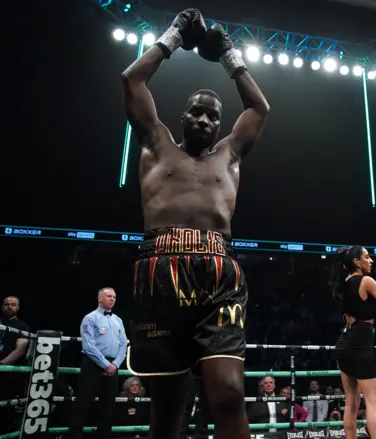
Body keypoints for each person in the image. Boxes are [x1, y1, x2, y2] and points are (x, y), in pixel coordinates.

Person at [121, 7, 269, 439]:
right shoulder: (156, 142)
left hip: (219, 273)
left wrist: (228, 54)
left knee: (226, 392)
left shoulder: (230, 155)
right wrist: (173, 38)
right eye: (197, 112)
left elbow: (259, 107)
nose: (204, 119)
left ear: (221, 125)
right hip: (160, 272)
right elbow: (131, 80)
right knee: (168, 411)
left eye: (212, 115)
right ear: (182, 116)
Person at [329, 246, 376, 439]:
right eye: (367, 257)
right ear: (356, 262)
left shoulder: (344, 282)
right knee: (373, 402)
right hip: (361, 343)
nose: (371, 260)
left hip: (345, 342)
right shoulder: (365, 281)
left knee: (351, 401)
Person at [66, 288, 128, 439]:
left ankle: (104, 436)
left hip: (113, 365)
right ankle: (74, 436)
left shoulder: (118, 320)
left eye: (114, 296)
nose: (112, 299)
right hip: (93, 364)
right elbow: (88, 346)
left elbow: (124, 344)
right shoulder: (90, 318)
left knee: (108, 405)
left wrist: (115, 364)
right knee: (84, 402)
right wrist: (106, 364)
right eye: (109, 296)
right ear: (100, 298)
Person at [0, 295, 30, 433]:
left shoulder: (21, 326)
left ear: (18, 308)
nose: (9, 307)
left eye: (13, 304)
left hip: (7, 373)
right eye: (7, 304)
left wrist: (2, 364)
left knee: (5, 406)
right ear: (2, 306)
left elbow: (20, 349)